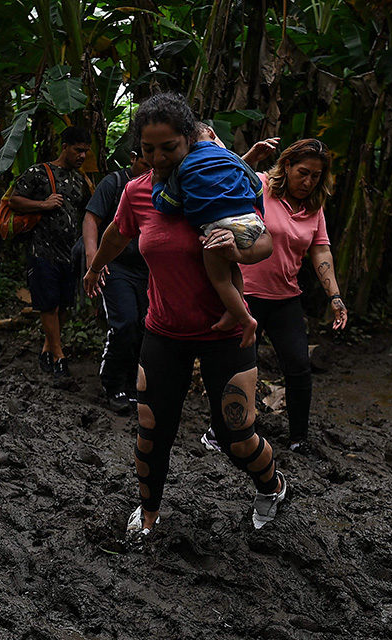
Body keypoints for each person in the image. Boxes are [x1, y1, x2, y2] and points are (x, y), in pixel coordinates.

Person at [83, 93, 287, 535]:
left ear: (190, 140)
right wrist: (96, 267)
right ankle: (149, 513)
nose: (157, 158)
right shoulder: (137, 193)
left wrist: (236, 247)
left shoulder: (221, 181)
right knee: (152, 432)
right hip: (164, 331)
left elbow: (265, 242)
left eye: (168, 148)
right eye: (148, 149)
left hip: (225, 332)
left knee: (237, 435)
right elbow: (118, 235)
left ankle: (272, 487)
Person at [203, 138, 347, 453]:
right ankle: (218, 432)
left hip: (285, 299)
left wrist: (335, 297)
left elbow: (320, 251)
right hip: (246, 294)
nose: (308, 182)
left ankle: (298, 439)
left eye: (315, 176)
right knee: (238, 367)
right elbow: (222, 177)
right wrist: (251, 157)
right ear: (287, 166)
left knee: (298, 367)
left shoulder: (313, 207)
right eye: (303, 172)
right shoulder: (261, 185)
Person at [150, 113, 268, 348]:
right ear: (213, 135)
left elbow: (167, 205)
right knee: (232, 266)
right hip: (251, 222)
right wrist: (259, 215)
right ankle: (233, 311)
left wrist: (157, 186)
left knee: (221, 279)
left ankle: (246, 320)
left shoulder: (182, 166)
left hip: (217, 227)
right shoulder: (232, 157)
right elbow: (256, 186)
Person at [9, 126, 92, 378]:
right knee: (48, 306)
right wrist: (43, 204)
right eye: (78, 150)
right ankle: (59, 356)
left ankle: (48, 348)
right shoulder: (39, 172)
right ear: (64, 146)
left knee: (63, 305)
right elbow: (14, 200)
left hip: (70, 253)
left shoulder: (81, 180)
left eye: (86, 152)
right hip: (42, 250)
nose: (82, 156)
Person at [83, 144, 151, 413]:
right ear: (133, 158)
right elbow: (91, 218)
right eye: (145, 163)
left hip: (148, 269)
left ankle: (134, 384)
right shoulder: (116, 182)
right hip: (115, 265)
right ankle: (113, 382)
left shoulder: (161, 182)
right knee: (124, 323)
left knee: (147, 327)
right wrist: (93, 257)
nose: (150, 169)